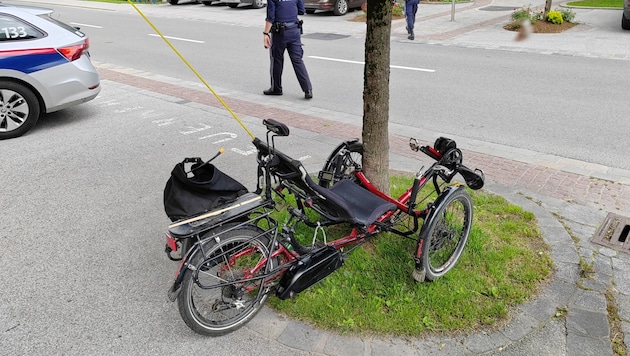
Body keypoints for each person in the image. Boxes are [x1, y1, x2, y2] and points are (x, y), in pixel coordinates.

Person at [263, 0, 313, 99]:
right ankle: (308, 90)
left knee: (276, 59)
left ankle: (276, 88)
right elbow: (302, 10)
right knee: (297, 60)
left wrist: (265, 33)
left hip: (280, 34)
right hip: (295, 31)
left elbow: (270, 18)